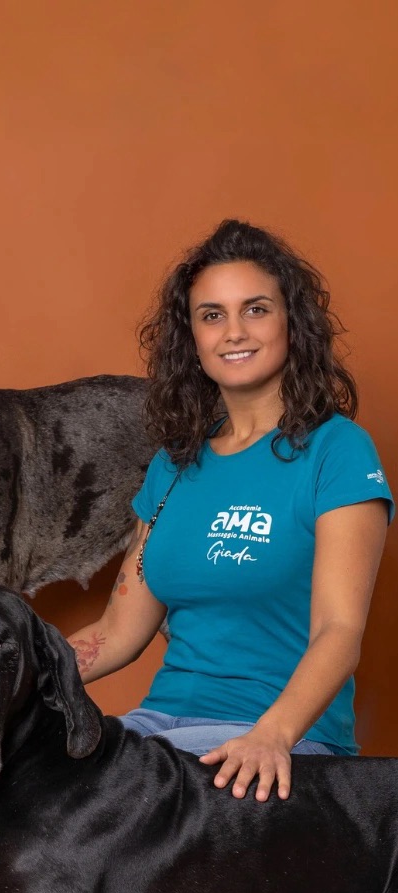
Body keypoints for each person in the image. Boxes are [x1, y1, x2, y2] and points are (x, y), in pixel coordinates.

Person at [68, 219, 391, 803]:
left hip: (278, 737)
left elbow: (339, 632)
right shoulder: (173, 465)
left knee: (116, 818)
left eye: (256, 310)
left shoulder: (337, 451)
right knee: (31, 788)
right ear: (191, 337)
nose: (234, 332)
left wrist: (272, 736)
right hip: (160, 729)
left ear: (292, 323)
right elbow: (117, 632)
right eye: (212, 315)